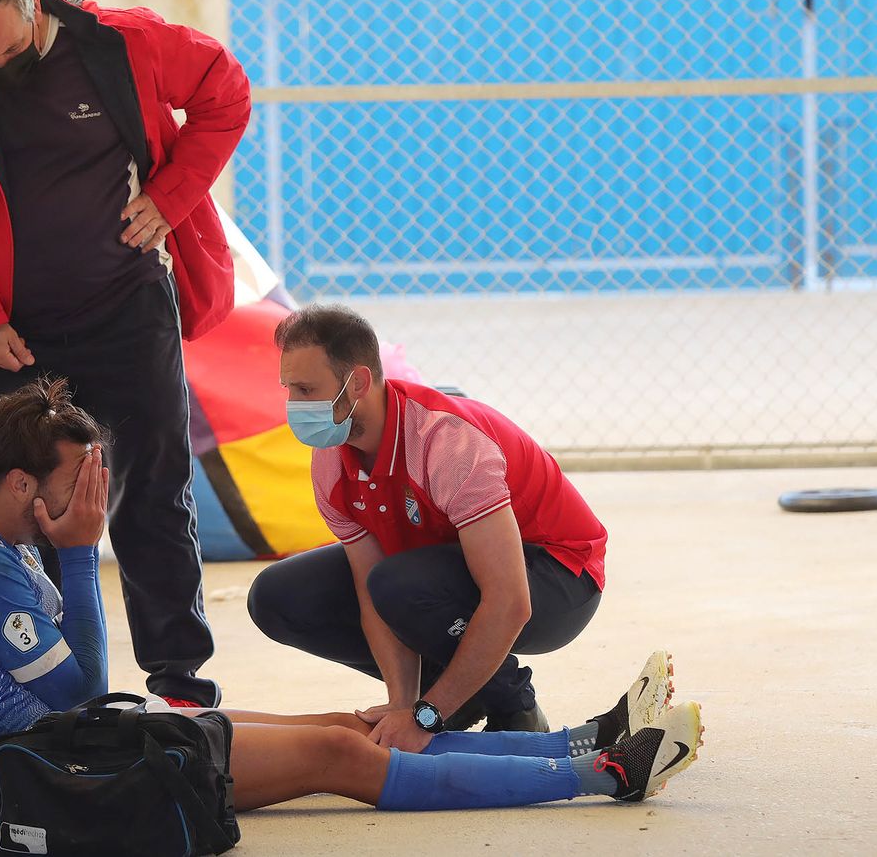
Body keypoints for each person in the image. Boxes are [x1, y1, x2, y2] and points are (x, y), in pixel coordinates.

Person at [0, 379, 704, 819]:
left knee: (353, 725)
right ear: (19, 482)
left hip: (81, 742)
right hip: (41, 777)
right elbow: (78, 690)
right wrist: (77, 554)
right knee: (343, 758)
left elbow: (78, 696)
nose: (91, 501)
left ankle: (579, 738)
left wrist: (68, 542)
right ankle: (599, 775)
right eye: (79, 484)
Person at [0, 0, 252, 707]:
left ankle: (179, 679)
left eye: (8, 50)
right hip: (17, 332)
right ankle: (36, 678)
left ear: (34, 7)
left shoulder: (119, 42)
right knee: (12, 496)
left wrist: (171, 197)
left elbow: (226, 91)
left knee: (153, 486)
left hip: (127, 306)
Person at [246, 304, 611, 750]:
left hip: (559, 577)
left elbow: (510, 599)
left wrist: (426, 717)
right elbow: (368, 593)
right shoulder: (330, 461)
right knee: (278, 596)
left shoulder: (446, 445)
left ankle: (514, 707)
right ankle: (453, 691)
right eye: (289, 390)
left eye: (307, 390)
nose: (294, 407)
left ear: (358, 382)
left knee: (398, 584)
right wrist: (403, 703)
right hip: (446, 572)